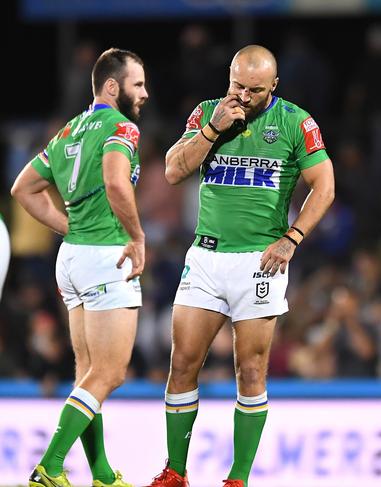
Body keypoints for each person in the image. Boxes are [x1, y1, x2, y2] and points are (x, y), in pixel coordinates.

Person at [148, 44, 335, 487]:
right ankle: (176, 472)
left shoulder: (296, 122)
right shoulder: (208, 113)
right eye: (237, 86)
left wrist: (292, 239)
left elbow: (323, 188)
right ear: (229, 77)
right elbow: (174, 171)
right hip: (207, 256)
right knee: (182, 363)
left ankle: (238, 478)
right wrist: (212, 130)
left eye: (255, 90)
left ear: (273, 86)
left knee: (250, 370)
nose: (244, 97)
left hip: (260, 262)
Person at [11, 47, 148, 487]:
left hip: (72, 258)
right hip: (107, 256)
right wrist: (137, 236)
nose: (145, 93)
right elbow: (113, 181)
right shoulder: (121, 127)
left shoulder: (70, 130)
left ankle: (103, 474)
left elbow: (24, 188)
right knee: (110, 373)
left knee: (89, 373)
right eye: (138, 84)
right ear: (113, 86)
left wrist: (67, 226)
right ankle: (50, 466)